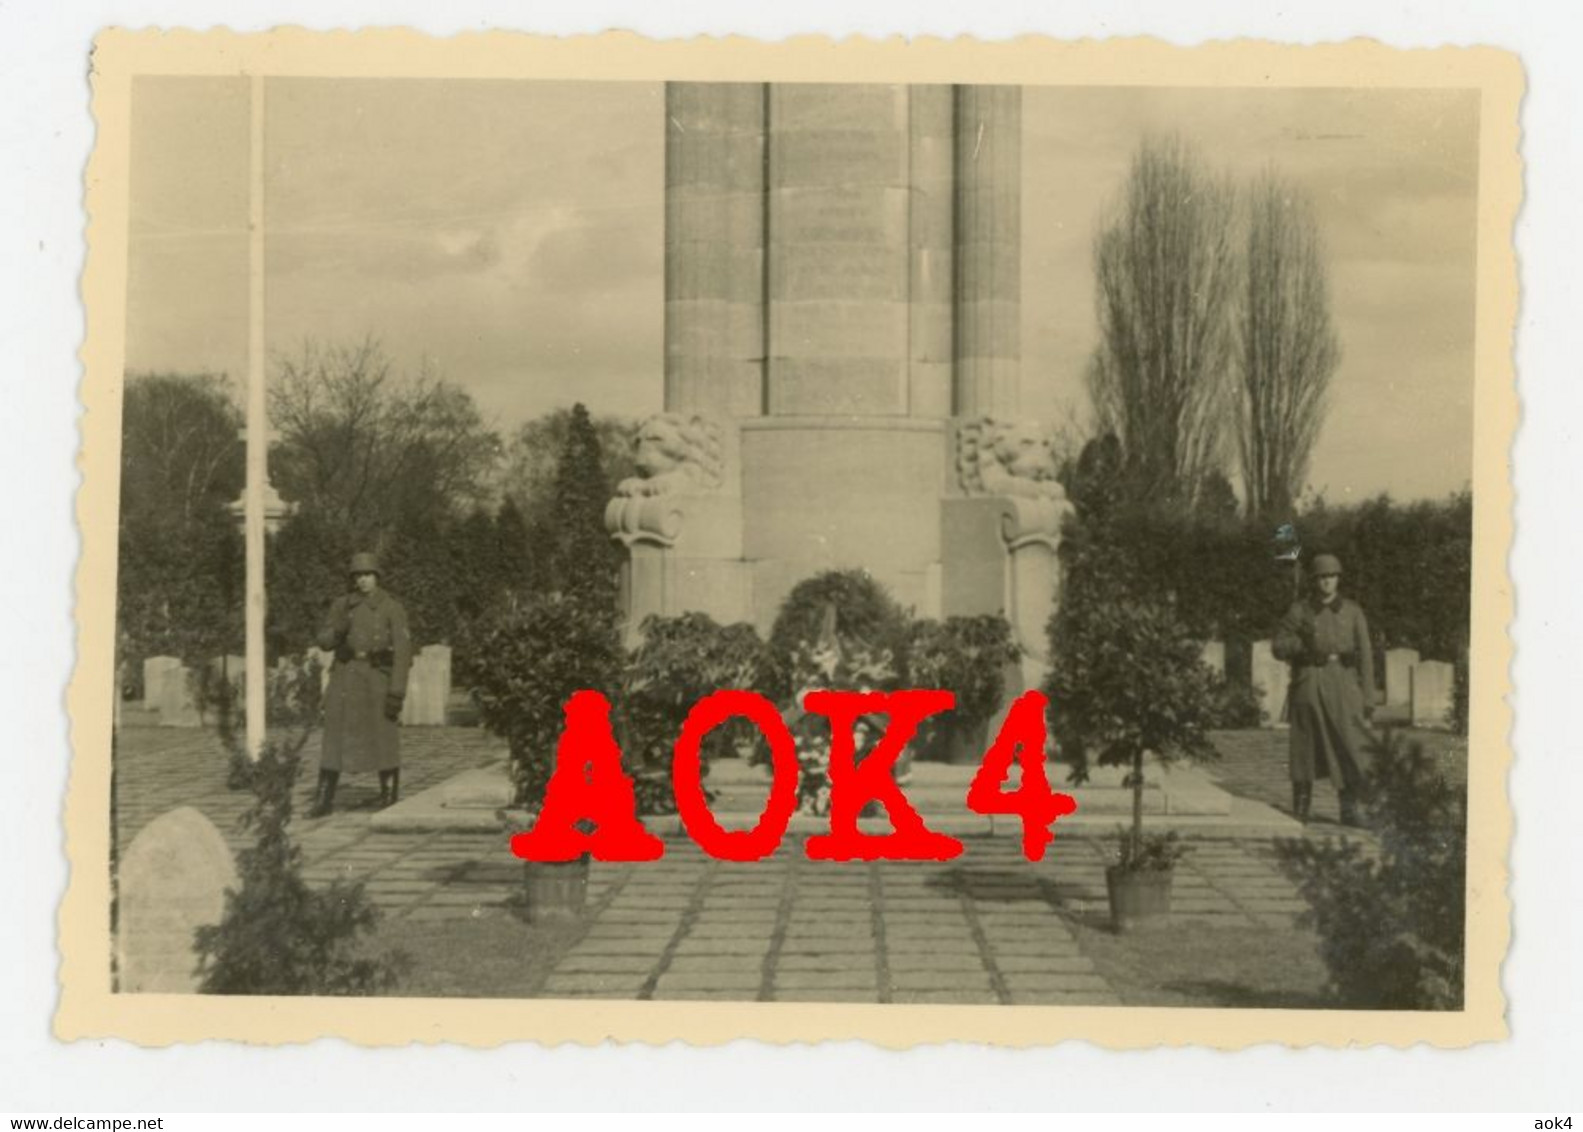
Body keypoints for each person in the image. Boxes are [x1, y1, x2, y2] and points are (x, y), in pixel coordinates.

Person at [1271, 553, 1377, 826]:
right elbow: (1278, 645)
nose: (1326, 583)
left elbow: (1366, 655)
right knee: (1304, 746)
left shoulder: (1353, 611)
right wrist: (1302, 646)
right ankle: (1302, 808)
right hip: (1310, 682)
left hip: (1344, 684)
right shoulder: (1300, 610)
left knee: (1350, 745)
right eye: (1321, 578)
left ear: (1338, 579)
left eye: (1331, 577)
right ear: (1314, 580)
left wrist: (1368, 699)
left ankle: (1350, 810)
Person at [310, 552, 413, 817]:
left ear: (377, 577)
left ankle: (389, 795)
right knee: (334, 736)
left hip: (376, 676)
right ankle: (324, 798)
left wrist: (396, 691)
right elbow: (323, 640)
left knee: (384, 734)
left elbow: (403, 653)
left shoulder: (391, 607)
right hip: (345, 675)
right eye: (358, 576)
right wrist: (338, 631)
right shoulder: (342, 605)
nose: (363, 581)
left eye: (368, 575)